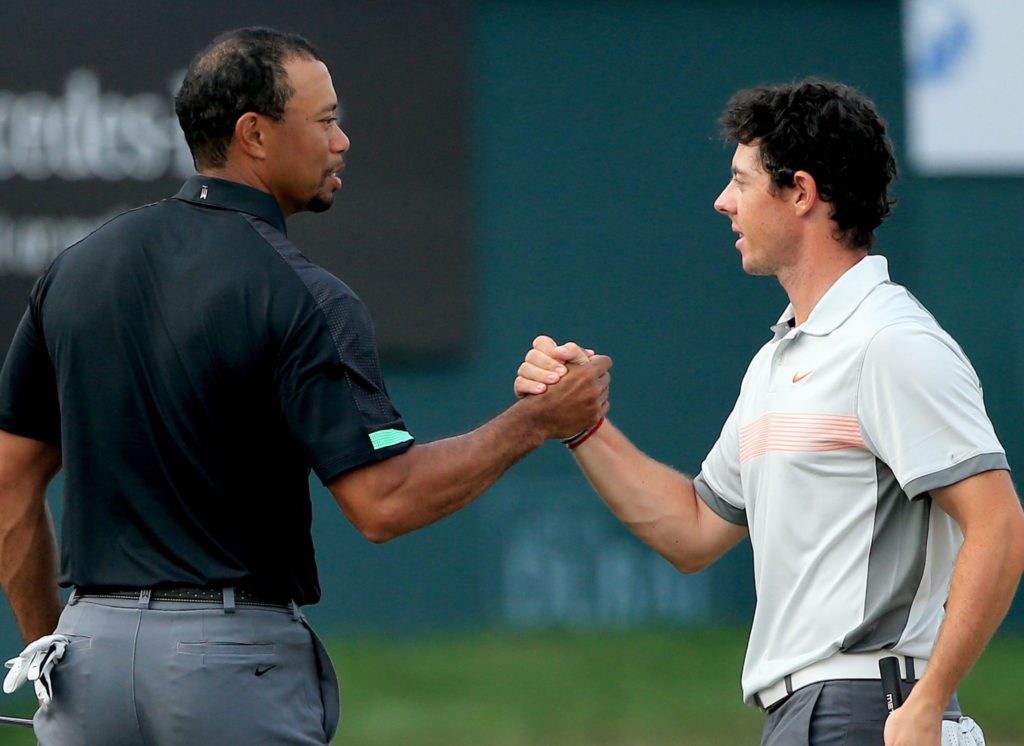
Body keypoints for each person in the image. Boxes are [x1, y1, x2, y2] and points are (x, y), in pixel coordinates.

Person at [0, 27, 610, 745]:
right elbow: (385, 502)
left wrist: (54, 651)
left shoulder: (74, 270)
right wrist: (535, 421)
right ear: (254, 135)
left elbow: (9, 487)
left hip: (86, 669)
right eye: (324, 120)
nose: (342, 140)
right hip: (224, 671)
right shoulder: (304, 293)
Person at [515, 79, 1024, 746]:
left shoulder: (892, 343)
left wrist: (927, 704)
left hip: (868, 712)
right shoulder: (777, 362)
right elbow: (694, 530)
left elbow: (999, 524)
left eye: (742, 181)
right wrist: (581, 427)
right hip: (804, 716)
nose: (723, 202)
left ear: (802, 193)